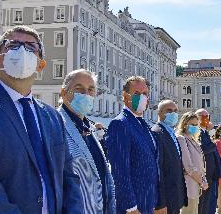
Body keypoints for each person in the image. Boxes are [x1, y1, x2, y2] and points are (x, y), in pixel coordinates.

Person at [0, 25, 83, 214]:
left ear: (40, 65)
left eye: (30, 47)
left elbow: (69, 178)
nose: (21, 51)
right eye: (12, 45)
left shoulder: (53, 118)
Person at [57, 69, 116, 214]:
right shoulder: (56, 124)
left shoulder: (88, 126)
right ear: (64, 93)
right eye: (79, 89)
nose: (86, 94)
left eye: (90, 90)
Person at [106, 76, 161, 214]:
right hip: (133, 206)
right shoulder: (120, 124)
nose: (142, 97)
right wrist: (131, 207)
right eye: (137, 93)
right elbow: (120, 170)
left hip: (148, 201)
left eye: (145, 94)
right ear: (125, 96)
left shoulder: (144, 124)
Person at [151, 100, 188, 214]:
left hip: (175, 195)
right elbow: (157, 170)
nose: (173, 114)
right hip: (166, 198)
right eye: (169, 111)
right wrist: (160, 202)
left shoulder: (171, 132)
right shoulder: (156, 132)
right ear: (160, 113)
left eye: (175, 111)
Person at [176, 112, 208, 214]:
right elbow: (188, 166)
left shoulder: (192, 139)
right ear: (185, 124)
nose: (195, 127)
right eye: (192, 124)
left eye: (196, 125)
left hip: (195, 185)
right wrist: (202, 182)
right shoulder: (181, 139)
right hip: (188, 186)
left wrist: (203, 179)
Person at [196, 109, 221, 214]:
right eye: (203, 116)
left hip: (212, 174)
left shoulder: (205, 132)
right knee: (203, 204)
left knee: (210, 202)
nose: (206, 119)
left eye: (207, 116)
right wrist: (212, 143)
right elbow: (201, 150)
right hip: (205, 174)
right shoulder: (197, 132)